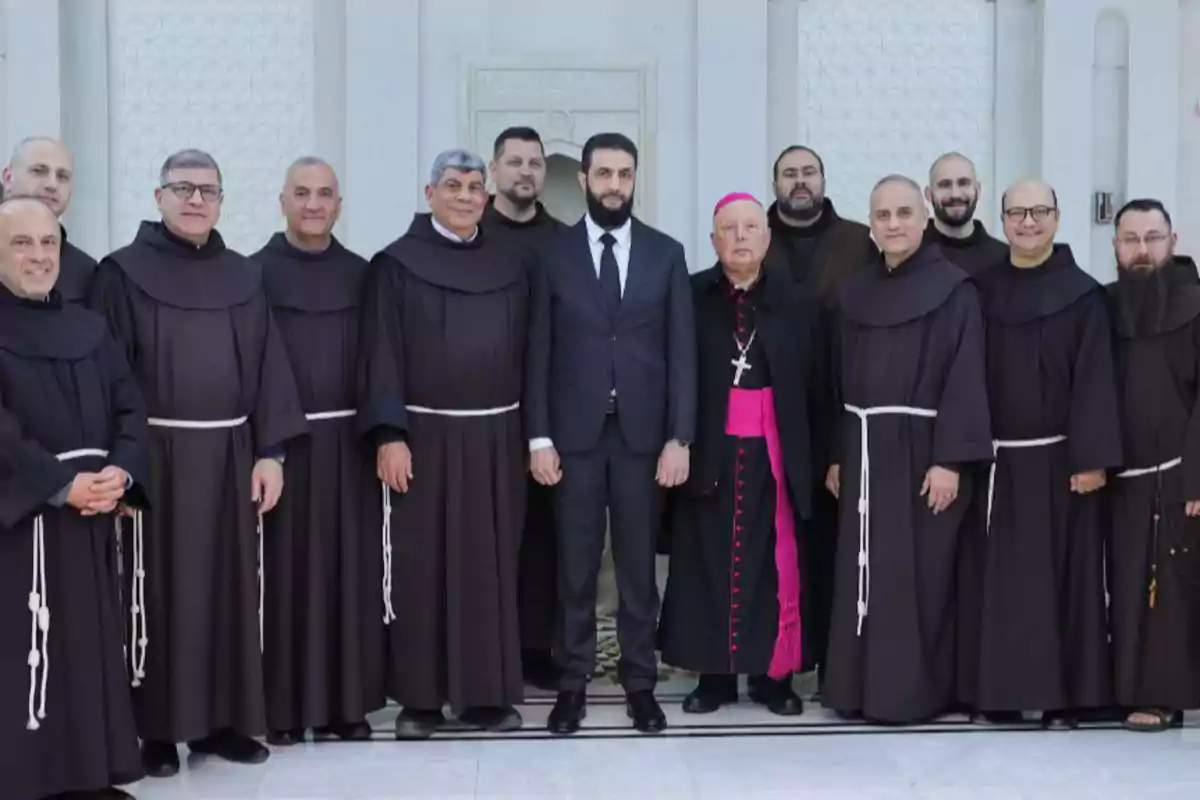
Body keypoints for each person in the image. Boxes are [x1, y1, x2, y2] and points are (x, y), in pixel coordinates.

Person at [89, 149, 309, 775]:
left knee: (228, 592)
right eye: (182, 188)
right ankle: (156, 729)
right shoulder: (121, 275)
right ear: (158, 196)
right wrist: (122, 462)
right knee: (156, 592)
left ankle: (221, 723)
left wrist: (270, 452)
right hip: (155, 459)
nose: (195, 200)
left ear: (222, 200)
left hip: (230, 457)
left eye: (207, 190)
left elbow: (268, 366)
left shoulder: (244, 276)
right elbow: (111, 377)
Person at [526, 131, 696, 735]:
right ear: (584, 180)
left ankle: (640, 684)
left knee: (635, 570)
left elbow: (682, 353)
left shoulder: (666, 253)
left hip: (643, 441)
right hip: (571, 440)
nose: (615, 185)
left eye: (625, 174)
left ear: (635, 178)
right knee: (573, 567)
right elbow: (537, 352)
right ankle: (571, 684)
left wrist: (680, 437)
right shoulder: (551, 255)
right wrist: (537, 437)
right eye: (604, 174)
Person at [358, 149, 528, 739]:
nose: (464, 196)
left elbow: (532, 353)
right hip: (423, 440)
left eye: (474, 186)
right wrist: (389, 434)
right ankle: (420, 701)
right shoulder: (396, 265)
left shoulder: (511, 263)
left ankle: (487, 695)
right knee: (421, 568)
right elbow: (380, 353)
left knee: (490, 566)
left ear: (487, 197)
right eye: (452, 185)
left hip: (496, 438)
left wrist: (534, 438)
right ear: (429, 194)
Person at [822, 175, 992, 724]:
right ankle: (855, 689)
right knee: (860, 570)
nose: (893, 224)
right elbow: (835, 381)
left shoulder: (955, 288)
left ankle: (913, 693)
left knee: (919, 576)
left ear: (924, 218)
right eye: (882, 216)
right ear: (870, 225)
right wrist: (838, 454)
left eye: (902, 214)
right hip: (863, 447)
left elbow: (967, 378)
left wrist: (951, 461)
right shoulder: (854, 292)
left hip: (924, 457)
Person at [0, 196, 149, 800]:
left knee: (88, 644)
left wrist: (123, 472)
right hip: (24, 525)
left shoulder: (89, 326)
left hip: (92, 515)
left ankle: (88, 775)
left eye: (49, 243)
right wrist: (58, 485)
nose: (39, 256)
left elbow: (131, 407)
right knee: (26, 647)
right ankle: (24, 779)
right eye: (22, 243)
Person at [659, 192, 821, 716]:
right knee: (706, 562)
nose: (741, 237)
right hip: (710, 450)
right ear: (713, 240)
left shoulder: (799, 302)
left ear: (768, 237)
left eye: (751, 227)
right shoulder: (690, 295)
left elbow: (818, 385)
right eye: (729, 229)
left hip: (776, 451)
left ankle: (773, 679)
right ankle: (714, 678)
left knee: (775, 565)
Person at [971, 179, 1119, 728]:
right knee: (1002, 585)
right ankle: (1001, 695)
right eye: (1016, 212)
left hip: (1064, 466)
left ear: (1057, 218)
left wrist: (1092, 458)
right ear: (1003, 219)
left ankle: (1067, 700)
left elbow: (1096, 381)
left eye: (1038, 212)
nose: (1027, 222)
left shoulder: (1084, 295)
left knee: (1068, 583)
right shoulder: (979, 291)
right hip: (998, 465)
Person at [250, 156, 384, 745]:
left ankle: (346, 706)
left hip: (349, 447)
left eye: (324, 193)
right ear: (282, 201)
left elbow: (382, 361)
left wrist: (383, 434)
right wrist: (268, 446)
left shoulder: (363, 275)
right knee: (283, 578)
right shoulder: (251, 275)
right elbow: (251, 366)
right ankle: (281, 708)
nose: (312, 204)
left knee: (350, 574)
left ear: (338, 204)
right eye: (301, 193)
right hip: (282, 453)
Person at [764, 146, 873, 688]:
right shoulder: (752, 235)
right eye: (790, 174)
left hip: (838, 412)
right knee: (773, 542)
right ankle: (774, 664)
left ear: (824, 179)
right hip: (767, 415)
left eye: (809, 173)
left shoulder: (857, 242)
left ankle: (836, 663)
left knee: (834, 541)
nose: (800, 182)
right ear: (776, 183)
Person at [1106, 199, 1200, 732]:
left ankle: (1165, 696)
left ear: (1173, 240)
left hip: (1179, 476)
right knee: (1124, 589)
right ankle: (1123, 688)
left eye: (1153, 238)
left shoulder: (1195, 305)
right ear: (1115, 246)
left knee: (1169, 593)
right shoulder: (1104, 306)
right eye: (1130, 239)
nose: (1142, 250)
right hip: (1121, 480)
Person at [480, 126, 566, 690]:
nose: (526, 172)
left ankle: (536, 648)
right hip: (476, 415)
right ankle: (485, 644)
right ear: (494, 168)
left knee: (542, 536)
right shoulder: (468, 230)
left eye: (535, 163)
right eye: (515, 161)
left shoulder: (562, 240)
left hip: (547, 413)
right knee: (482, 534)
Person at [2, 136, 98, 303]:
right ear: (8, 178)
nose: (52, 184)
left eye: (63, 176)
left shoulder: (84, 271)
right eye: (39, 171)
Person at [922, 152, 1007, 277]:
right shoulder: (911, 251)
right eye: (944, 185)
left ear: (977, 190)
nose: (955, 194)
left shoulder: (1004, 258)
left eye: (963, 183)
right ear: (929, 194)